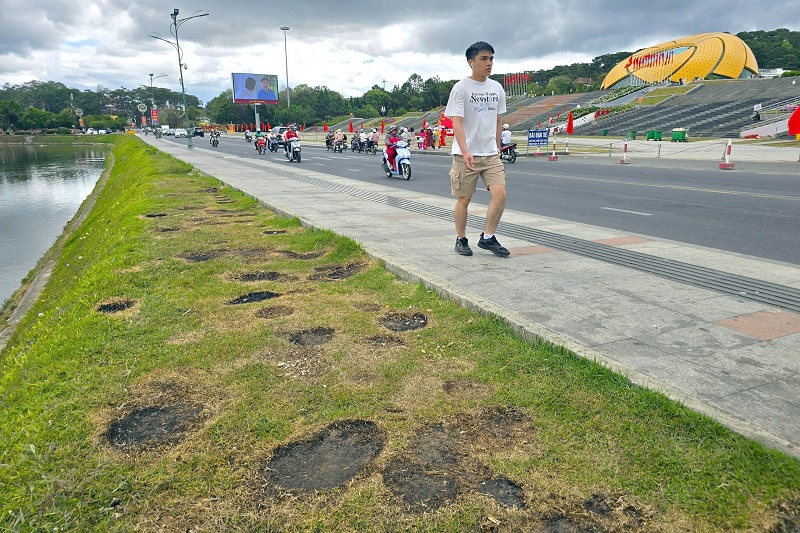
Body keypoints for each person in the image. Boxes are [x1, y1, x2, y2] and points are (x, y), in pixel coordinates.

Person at [445, 41, 509, 258]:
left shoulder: (497, 88)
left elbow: (499, 119)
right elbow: (457, 122)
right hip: (466, 154)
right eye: (484, 59)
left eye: (491, 58)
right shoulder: (461, 88)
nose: (489, 63)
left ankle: (488, 237)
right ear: (471, 62)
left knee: (500, 194)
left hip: (490, 153)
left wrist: (498, 146)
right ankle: (461, 239)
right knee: (464, 199)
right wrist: (465, 151)